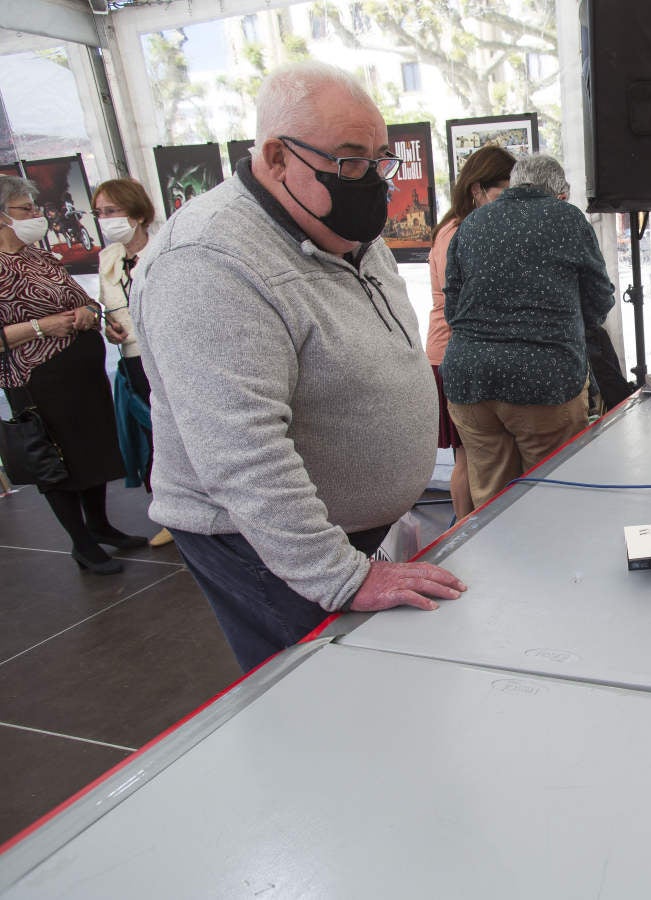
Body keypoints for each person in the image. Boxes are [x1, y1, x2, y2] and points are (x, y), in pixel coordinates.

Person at [131, 61, 466, 672]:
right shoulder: (207, 263)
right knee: (321, 696)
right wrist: (339, 577)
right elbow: (242, 452)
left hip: (353, 532)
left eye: (377, 160)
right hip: (266, 545)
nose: (370, 181)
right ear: (277, 158)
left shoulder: (344, 227)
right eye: (348, 161)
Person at [440, 153, 614, 504]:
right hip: (544, 380)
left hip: (469, 381)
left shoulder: (471, 224)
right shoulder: (567, 218)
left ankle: (495, 558)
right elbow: (599, 297)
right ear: (561, 193)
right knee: (552, 492)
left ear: (514, 183)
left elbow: (453, 307)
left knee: (491, 498)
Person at [0, 175, 146, 575]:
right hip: (35, 379)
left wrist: (89, 313)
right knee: (56, 460)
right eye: (25, 210)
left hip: (78, 372)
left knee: (91, 451)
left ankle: (100, 526)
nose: (35, 216)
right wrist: (43, 327)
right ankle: (81, 543)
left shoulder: (39, 257)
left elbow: (84, 301)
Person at [426, 145, 517, 521]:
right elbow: (464, 304)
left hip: (455, 355)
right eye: (502, 193)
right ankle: (461, 535)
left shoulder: (461, 227)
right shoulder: (457, 233)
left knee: (470, 460)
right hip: (450, 356)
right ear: (477, 189)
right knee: (466, 462)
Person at [93, 178, 173, 548]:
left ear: (138, 214)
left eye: (111, 211)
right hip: (133, 360)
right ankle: (169, 511)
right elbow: (111, 309)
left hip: (169, 355)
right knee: (151, 437)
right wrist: (112, 329)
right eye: (99, 213)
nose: (105, 219)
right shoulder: (108, 259)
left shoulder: (167, 248)